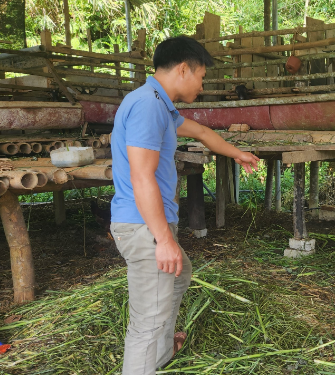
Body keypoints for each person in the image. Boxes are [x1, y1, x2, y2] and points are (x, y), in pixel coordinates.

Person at [109, 36, 259, 375]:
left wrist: (237, 153)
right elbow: (142, 176)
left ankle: (160, 352)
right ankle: (149, 356)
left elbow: (203, 132)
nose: (202, 85)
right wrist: (163, 240)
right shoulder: (148, 105)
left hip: (145, 222)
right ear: (183, 69)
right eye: (201, 76)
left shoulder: (160, 104)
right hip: (144, 225)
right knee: (147, 324)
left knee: (179, 275)